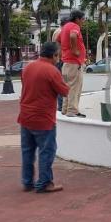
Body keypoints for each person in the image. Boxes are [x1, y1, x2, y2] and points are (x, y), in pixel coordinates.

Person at [17, 41, 69, 193]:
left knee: (27, 151)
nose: (59, 58)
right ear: (54, 55)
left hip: (26, 116)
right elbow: (64, 91)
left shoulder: (28, 67)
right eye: (58, 55)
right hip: (43, 119)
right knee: (46, 152)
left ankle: (27, 182)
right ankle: (44, 183)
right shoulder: (52, 71)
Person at [59, 10, 86, 117]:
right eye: (83, 19)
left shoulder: (65, 26)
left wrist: (63, 52)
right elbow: (73, 36)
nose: (83, 21)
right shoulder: (74, 26)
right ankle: (72, 111)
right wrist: (74, 50)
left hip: (66, 63)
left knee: (67, 87)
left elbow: (57, 39)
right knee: (75, 87)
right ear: (77, 19)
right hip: (74, 63)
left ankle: (65, 109)